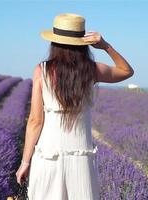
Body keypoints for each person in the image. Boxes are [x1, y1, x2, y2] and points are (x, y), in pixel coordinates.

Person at [15, 13, 134, 200]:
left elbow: (35, 121)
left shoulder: (42, 70)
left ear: (54, 42)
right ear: (82, 44)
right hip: (81, 161)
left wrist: (25, 162)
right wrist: (105, 46)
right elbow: (126, 71)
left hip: (48, 156)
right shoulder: (91, 70)